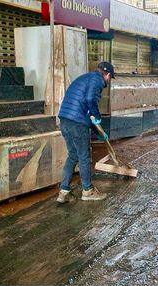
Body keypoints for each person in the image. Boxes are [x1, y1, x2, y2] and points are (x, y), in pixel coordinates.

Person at [57, 61, 115, 204]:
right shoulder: (97, 80)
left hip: (65, 120)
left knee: (73, 155)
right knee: (84, 157)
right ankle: (87, 191)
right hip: (77, 123)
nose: (108, 81)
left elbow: (88, 112)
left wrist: (98, 131)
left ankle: (63, 193)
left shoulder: (85, 78)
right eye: (109, 77)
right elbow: (90, 102)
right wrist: (98, 118)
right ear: (106, 75)